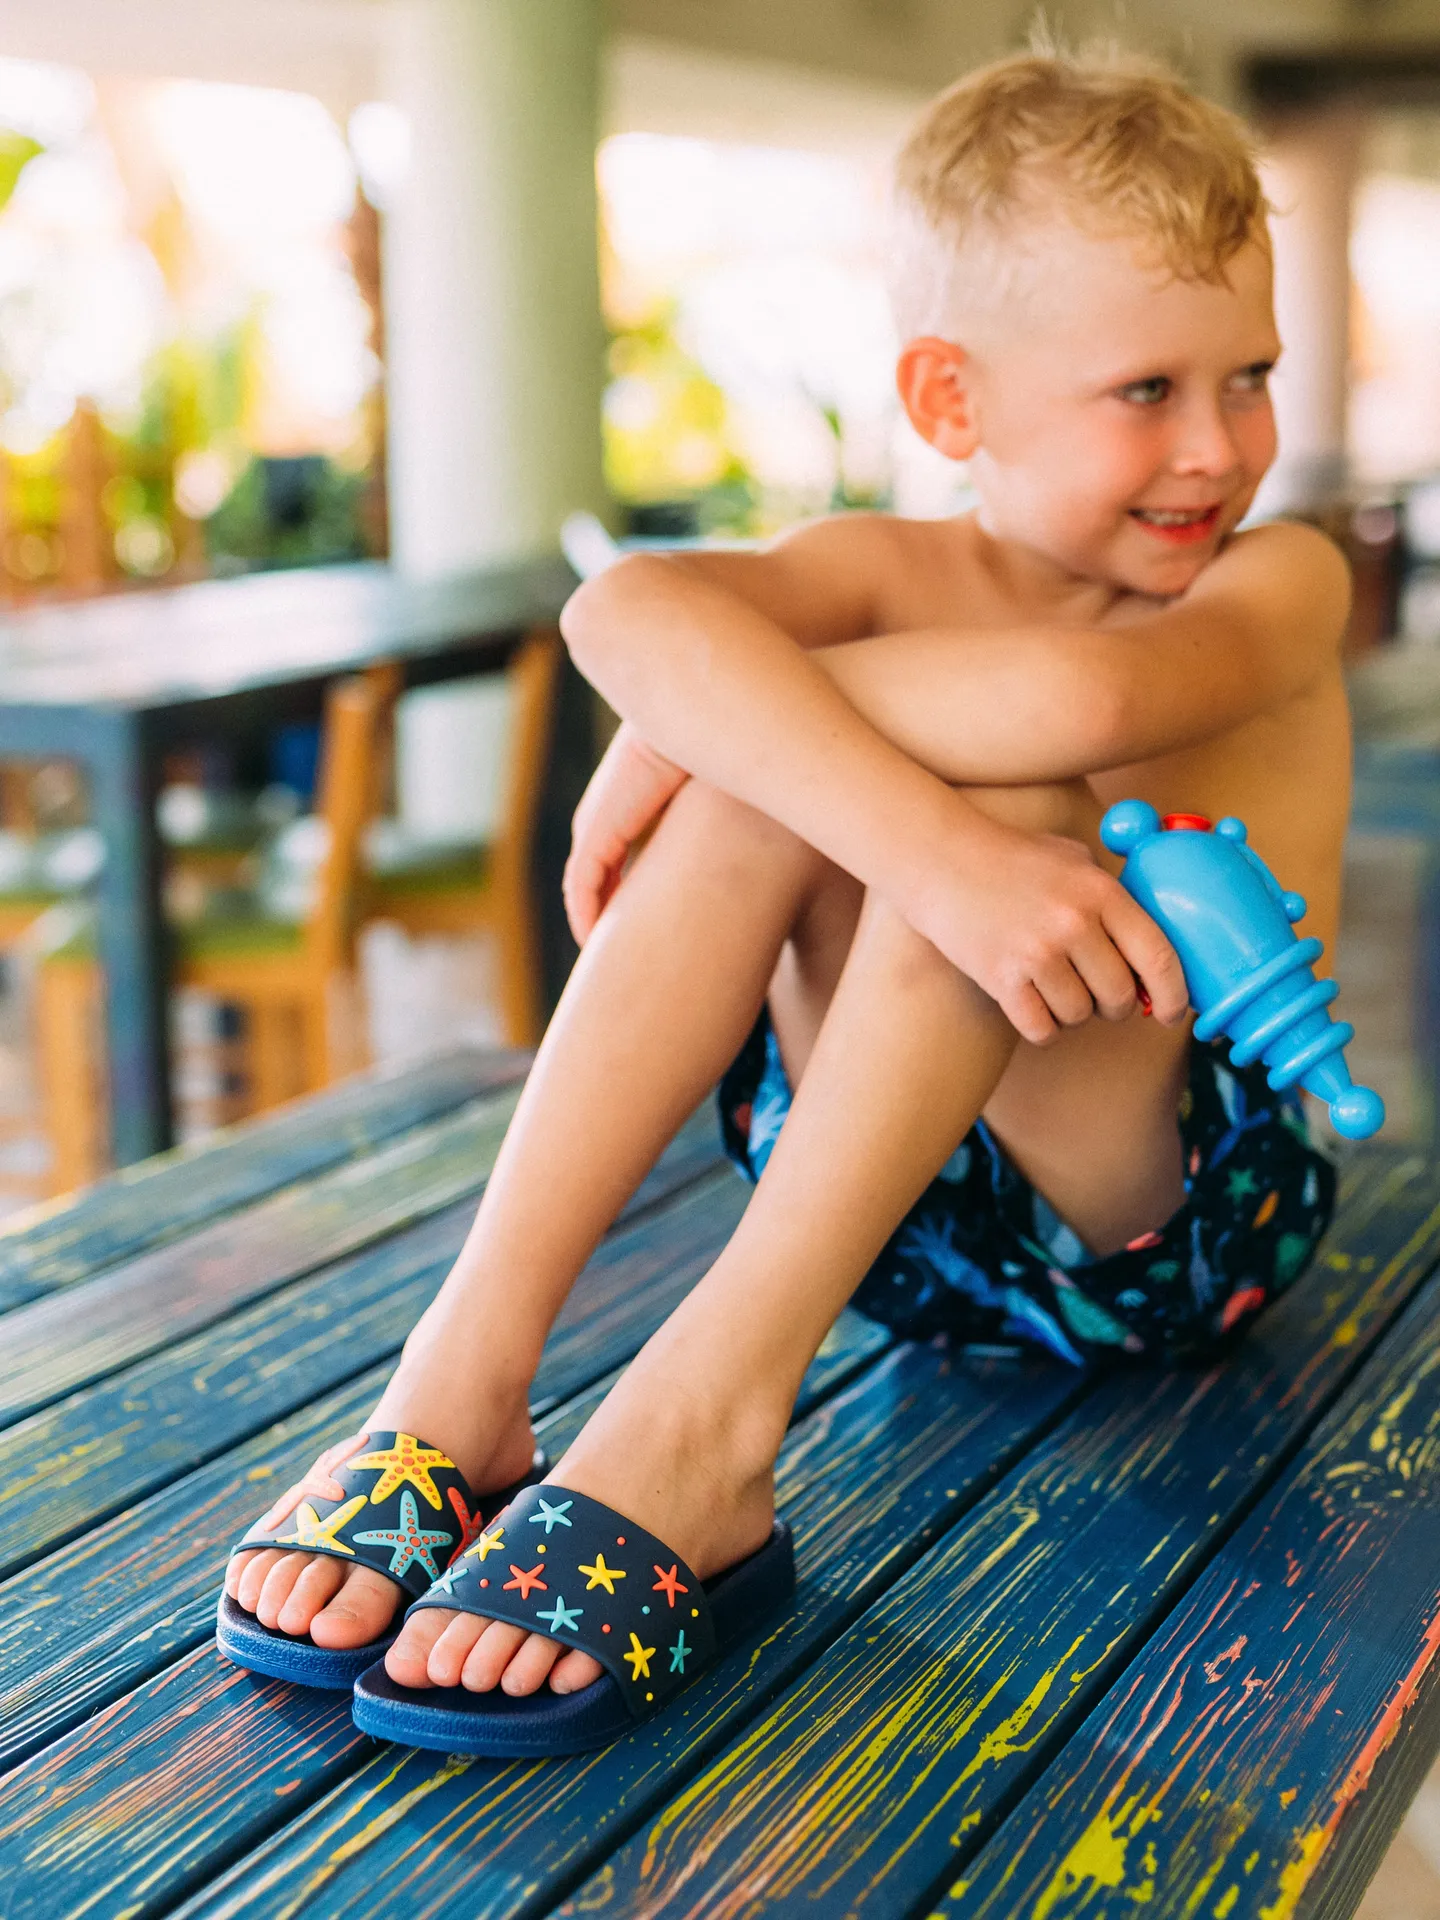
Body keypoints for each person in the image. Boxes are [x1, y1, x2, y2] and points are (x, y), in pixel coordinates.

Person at [222, 47, 1347, 1721]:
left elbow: (1085, 701)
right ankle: (459, 1385)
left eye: (1248, 376)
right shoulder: (883, 567)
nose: (1217, 445)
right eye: (1146, 390)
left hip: (1172, 1220)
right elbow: (618, 613)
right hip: (888, 1217)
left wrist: (719, 719)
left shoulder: (1280, 578)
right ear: (951, 402)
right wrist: (824, 784)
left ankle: (704, 1431)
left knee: (963, 792)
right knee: (791, 794)